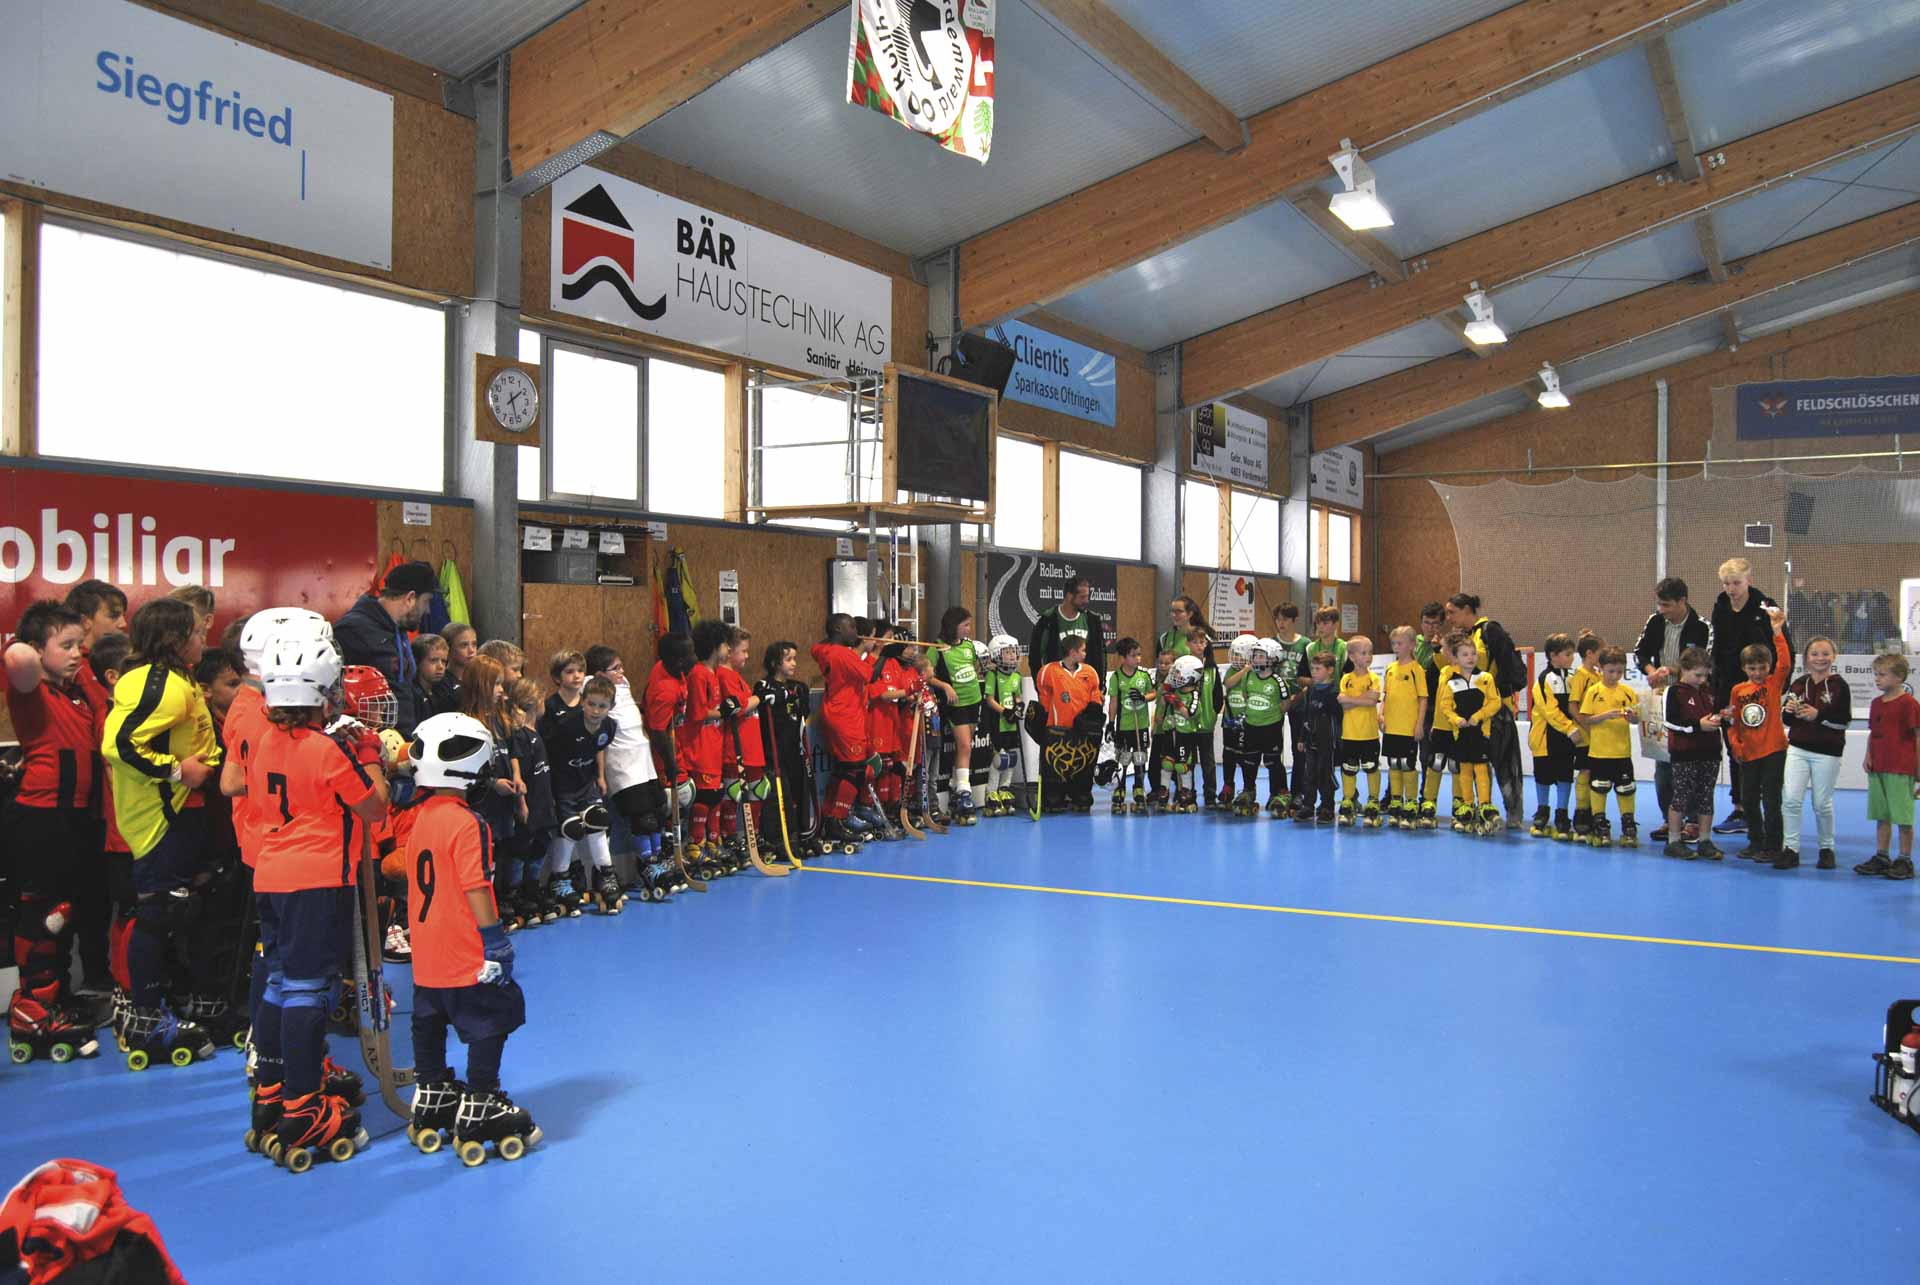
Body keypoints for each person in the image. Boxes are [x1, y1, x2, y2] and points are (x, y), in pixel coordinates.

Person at [237, 630, 385, 1164]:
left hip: (271, 875)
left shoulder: (263, 741)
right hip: (316, 880)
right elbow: (374, 807)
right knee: (306, 989)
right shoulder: (326, 750)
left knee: (279, 982)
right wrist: (369, 754)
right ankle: (304, 1108)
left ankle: (271, 1094)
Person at [402, 712, 540, 1164]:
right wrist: (494, 940)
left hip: (427, 950)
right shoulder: (468, 824)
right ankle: (482, 1101)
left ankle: (433, 1095)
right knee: (493, 1014)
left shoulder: (420, 817)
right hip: (465, 950)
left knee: (429, 1017)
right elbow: (476, 886)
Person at [101, 599, 220, 1069]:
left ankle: (168, 1005)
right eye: (196, 631)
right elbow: (118, 744)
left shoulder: (178, 679)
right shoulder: (159, 684)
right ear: (175, 638)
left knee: (179, 911)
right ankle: (145, 1019)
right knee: (157, 912)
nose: (204, 637)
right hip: (161, 816)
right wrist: (175, 770)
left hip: (184, 809)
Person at [4, 601, 111, 1062]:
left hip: (76, 820)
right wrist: (29, 643)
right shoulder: (31, 691)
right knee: (43, 917)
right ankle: (32, 1009)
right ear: (38, 647)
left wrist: (78, 665)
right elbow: (18, 659)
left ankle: (55, 1001)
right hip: (41, 818)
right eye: (65, 646)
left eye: (79, 646)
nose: (76, 655)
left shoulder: (77, 696)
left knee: (65, 917)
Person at [1708, 558, 1789, 835]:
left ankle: (1767, 808)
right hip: (1730, 689)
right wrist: (1715, 688)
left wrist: (1777, 687)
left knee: (1763, 748)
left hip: (1762, 689)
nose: (1731, 589)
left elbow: (1782, 647)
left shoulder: (1766, 607)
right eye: (1726, 584)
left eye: (1736, 583)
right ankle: (1741, 808)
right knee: (1736, 749)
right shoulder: (1720, 608)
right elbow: (1716, 650)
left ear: (1748, 581)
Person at [588, 646, 669, 900]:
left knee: (658, 812)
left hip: (644, 760)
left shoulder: (623, 684)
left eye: (621, 666)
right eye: (615, 668)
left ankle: (657, 859)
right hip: (623, 765)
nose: (622, 672)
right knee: (642, 818)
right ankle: (647, 865)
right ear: (599, 674)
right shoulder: (593, 687)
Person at [540, 674, 622, 911]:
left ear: (611, 707)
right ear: (582, 701)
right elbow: (548, 756)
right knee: (571, 828)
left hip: (587, 783)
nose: (595, 711)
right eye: (591, 704)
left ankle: (606, 875)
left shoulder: (609, 727)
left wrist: (600, 776)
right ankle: (560, 879)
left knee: (598, 821)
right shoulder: (565, 727)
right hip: (563, 786)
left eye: (602, 706)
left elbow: (598, 748)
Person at [1446, 594, 1525, 825]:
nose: (1448, 618)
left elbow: (1511, 668)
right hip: (1469, 713)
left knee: (1505, 763)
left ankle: (1514, 813)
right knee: (1476, 763)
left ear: (1467, 609)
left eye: (1452, 612)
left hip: (1496, 711)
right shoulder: (1465, 638)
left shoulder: (1490, 631)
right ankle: (1484, 808)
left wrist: (1493, 695)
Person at [333, 561, 437, 734]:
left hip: (402, 739)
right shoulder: (352, 630)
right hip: (373, 742)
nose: (427, 611)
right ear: (410, 598)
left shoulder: (398, 631)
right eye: (426, 602)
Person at [1726, 606, 1791, 864]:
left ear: (1769, 666)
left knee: (1772, 801)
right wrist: (1736, 746)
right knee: (1749, 800)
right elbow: (1733, 721)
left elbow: (1785, 663)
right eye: (1752, 668)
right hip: (1748, 754)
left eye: (1762, 667)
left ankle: (1774, 845)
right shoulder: (1738, 691)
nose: (1758, 672)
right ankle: (1755, 841)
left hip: (1774, 751)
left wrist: (1777, 632)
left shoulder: (1774, 684)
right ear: (1744, 668)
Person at [1779, 635, 1850, 871]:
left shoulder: (1840, 686)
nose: (1820, 658)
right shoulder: (1799, 684)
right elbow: (1787, 719)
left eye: (1825, 653)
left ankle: (1827, 849)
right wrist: (1789, 711)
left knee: (1821, 803)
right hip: (1798, 749)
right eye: (1815, 654)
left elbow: (1843, 721)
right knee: (1790, 799)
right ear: (1807, 658)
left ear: (1834, 657)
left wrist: (1818, 715)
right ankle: (1790, 849)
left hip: (1827, 752)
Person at [812, 614, 877, 848]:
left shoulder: (824, 649)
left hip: (837, 712)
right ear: (838, 629)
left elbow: (816, 646)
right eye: (851, 627)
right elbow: (870, 675)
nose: (855, 631)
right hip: (846, 717)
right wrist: (879, 653)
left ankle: (829, 818)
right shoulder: (843, 654)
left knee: (842, 768)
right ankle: (838, 820)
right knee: (854, 769)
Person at [1854, 654, 1920, 880]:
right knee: (1881, 814)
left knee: (1903, 816)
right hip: (1878, 766)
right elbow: (1874, 732)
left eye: (1882, 675)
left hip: (1901, 767)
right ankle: (1882, 855)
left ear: (1899, 677)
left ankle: (1905, 859)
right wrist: (1868, 755)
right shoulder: (1876, 704)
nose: (1877, 679)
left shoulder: (1909, 704)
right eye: (1876, 674)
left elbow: (1917, 736)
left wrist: (1918, 767)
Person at [1662, 648, 1727, 862]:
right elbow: (1670, 721)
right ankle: (1673, 841)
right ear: (1684, 669)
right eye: (1697, 675)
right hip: (1684, 753)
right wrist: (1698, 726)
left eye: (1706, 675)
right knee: (1681, 796)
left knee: (1706, 796)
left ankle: (1705, 840)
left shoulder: (1709, 690)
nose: (1702, 680)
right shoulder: (1674, 691)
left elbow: (1715, 714)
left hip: (1710, 751)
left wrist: (1724, 716)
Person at [503, 680, 558, 927]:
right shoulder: (521, 736)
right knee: (521, 849)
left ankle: (532, 887)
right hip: (530, 804)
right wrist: (521, 803)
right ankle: (513, 893)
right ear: (536, 703)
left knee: (539, 846)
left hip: (543, 802)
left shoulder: (536, 732)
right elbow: (521, 774)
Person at [1435, 632, 1500, 836]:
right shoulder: (1452, 682)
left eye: (1473, 654)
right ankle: (1468, 803)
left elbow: (1495, 702)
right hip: (1461, 733)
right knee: (1464, 769)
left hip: (1480, 732)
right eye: (1465, 654)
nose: (1470, 658)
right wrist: (1456, 720)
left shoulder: (1486, 678)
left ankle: (1485, 803)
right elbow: (1445, 705)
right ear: (1456, 658)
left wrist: (1479, 716)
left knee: (1481, 768)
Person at [1576, 647, 1641, 848]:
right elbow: (1585, 719)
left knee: (1626, 789)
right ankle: (1600, 826)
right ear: (1601, 668)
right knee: (1599, 787)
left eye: (1619, 672)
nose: (1615, 676)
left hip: (1622, 752)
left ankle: (1628, 828)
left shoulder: (1628, 692)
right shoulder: (1593, 692)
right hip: (1599, 752)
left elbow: (1637, 720)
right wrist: (1605, 716)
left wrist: (1633, 718)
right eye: (1611, 671)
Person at [681, 620, 734, 864]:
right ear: (714, 647)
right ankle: (695, 844)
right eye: (725, 645)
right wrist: (723, 711)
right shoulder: (698, 674)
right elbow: (697, 712)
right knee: (704, 797)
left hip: (715, 744)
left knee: (716, 794)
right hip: (700, 746)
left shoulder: (714, 674)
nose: (729, 649)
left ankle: (713, 841)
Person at [1036, 635, 1103, 813]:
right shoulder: (1048, 671)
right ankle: (1053, 800)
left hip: (1083, 730)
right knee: (1055, 767)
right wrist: (1044, 725)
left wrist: (1092, 714)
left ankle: (1081, 798)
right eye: (1082, 650)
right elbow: (1044, 700)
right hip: (1057, 730)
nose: (1085, 654)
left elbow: (1096, 697)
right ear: (1072, 652)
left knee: (1083, 766)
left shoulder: (1090, 672)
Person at [929, 607, 985, 822]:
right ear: (953, 626)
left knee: (966, 746)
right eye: (965, 625)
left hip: (974, 700)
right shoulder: (937, 648)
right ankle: (964, 791)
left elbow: (973, 667)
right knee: (964, 746)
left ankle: (956, 784)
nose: (969, 629)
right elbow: (927, 675)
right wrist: (945, 686)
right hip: (956, 704)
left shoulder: (969, 645)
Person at [757, 641, 811, 855]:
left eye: (794, 659)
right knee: (779, 798)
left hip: (793, 752)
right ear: (774, 663)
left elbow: (803, 714)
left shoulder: (796, 687)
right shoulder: (764, 686)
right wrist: (783, 696)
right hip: (774, 753)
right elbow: (763, 704)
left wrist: (802, 697)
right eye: (788, 659)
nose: (794, 663)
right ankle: (777, 840)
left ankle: (799, 836)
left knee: (797, 795)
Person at [719, 627, 768, 857]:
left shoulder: (737, 676)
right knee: (733, 793)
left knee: (758, 790)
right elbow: (738, 708)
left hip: (752, 747)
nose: (747, 656)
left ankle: (753, 836)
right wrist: (759, 696)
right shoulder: (723, 675)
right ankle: (729, 836)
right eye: (744, 651)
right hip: (735, 747)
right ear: (729, 651)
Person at [1528, 633, 1580, 840]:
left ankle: (1562, 813)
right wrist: (1570, 728)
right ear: (1553, 656)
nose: (1572, 657)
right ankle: (1542, 810)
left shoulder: (1574, 678)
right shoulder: (1544, 680)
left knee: (1565, 775)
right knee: (1543, 776)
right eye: (1567, 654)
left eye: (1572, 653)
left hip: (1567, 738)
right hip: (1545, 738)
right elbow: (1549, 711)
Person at [1380, 626, 1430, 830]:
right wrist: (1381, 714)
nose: (1396, 647)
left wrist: (1419, 724)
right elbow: (1386, 695)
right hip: (1391, 727)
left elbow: (1423, 698)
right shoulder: (1390, 669)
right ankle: (1396, 800)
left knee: (1407, 764)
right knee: (1393, 763)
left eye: (1400, 643)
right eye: (1394, 643)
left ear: (1412, 645)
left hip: (1408, 728)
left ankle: (1411, 802)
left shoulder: (1416, 670)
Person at [1240, 638, 1291, 818]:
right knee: (1249, 761)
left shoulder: (1278, 681)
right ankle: (1248, 790)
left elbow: (1285, 704)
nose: (1256, 659)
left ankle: (1280, 793)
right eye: (1255, 656)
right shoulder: (1248, 676)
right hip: (1251, 727)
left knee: (1272, 762)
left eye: (1261, 656)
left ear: (1273, 659)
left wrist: (1272, 716)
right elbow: (1246, 695)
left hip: (1271, 728)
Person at [1336, 635, 1383, 827]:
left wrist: (1351, 699)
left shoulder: (1374, 678)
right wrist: (1362, 699)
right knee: (1349, 768)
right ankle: (1348, 799)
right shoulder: (1346, 679)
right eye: (1364, 653)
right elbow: (1343, 704)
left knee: (1371, 767)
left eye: (1370, 652)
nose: (1368, 656)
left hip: (1369, 733)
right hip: (1349, 733)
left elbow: (1372, 701)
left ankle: (1373, 800)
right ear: (1352, 657)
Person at [1107, 637, 1155, 815]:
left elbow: (1153, 693)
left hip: (1140, 725)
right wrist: (1110, 723)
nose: (1138, 658)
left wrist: (1143, 698)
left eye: (1139, 654)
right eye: (1133, 655)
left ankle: (1139, 788)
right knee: (1124, 758)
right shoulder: (1116, 677)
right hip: (1123, 725)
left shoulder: (1144, 675)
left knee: (1140, 757)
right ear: (1123, 657)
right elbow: (1113, 702)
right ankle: (1120, 789)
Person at [1271, 603, 1312, 812]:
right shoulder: (1270, 644)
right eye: (1278, 619)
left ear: (1294, 620)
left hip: (1300, 703)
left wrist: (1296, 697)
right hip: (1275, 704)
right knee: (1273, 749)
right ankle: (1279, 791)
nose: (1281, 623)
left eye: (1285, 619)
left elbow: (1312, 677)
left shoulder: (1306, 645)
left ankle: (1298, 793)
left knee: (1299, 749)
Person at [1292, 652, 1341, 824]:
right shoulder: (1311, 690)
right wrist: (1301, 738)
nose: (1313, 672)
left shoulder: (1335, 691)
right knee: (1309, 774)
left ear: (1330, 670)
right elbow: (1307, 715)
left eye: (1318, 669)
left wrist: (1337, 741)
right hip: (1311, 740)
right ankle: (1308, 806)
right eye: (1312, 668)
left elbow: (1338, 718)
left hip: (1327, 741)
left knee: (1324, 774)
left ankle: (1327, 807)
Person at [980, 635, 1026, 817]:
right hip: (998, 723)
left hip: (1012, 725)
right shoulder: (993, 675)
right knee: (1000, 759)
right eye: (1007, 652)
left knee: (1012, 758)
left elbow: (1018, 697)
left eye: (1013, 652)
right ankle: (991, 791)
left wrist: (1018, 707)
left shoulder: (1016, 676)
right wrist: (1005, 712)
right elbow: (990, 699)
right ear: (997, 655)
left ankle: (1004, 788)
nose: (1012, 656)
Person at [1028, 575, 1107, 679]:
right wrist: (1041, 684)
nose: (1086, 601)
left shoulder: (1092, 620)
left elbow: (1101, 656)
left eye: (1087, 596)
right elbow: (1035, 656)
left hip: (1085, 683)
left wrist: (1101, 684)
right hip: (1058, 682)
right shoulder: (1048, 620)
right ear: (1069, 596)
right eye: (1082, 597)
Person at [1568, 632, 1605, 841]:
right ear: (1590, 653)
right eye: (1601, 653)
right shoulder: (1580, 675)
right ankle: (1581, 813)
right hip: (1585, 735)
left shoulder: (1598, 676)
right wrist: (1585, 726)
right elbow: (1573, 706)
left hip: (1598, 736)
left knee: (1596, 773)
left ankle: (1594, 814)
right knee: (1585, 771)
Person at [65, 580, 129, 650]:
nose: (124, 624)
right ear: (84, 622)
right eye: (113, 616)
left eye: (123, 615)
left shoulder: (124, 654)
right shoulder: (71, 657)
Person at [412, 634, 457, 719]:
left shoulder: (445, 690)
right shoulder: (412, 696)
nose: (441, 666)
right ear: (417, 662)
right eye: (433, 660)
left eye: (443, 661)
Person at [438, 623, 477, 710]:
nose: (471, 650)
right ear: (448, 649)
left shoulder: (478, 677)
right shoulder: (442, 682)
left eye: (474, 644)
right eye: (464, 645)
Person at [1305, 607, 1347, 675]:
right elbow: (1303, 676)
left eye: (1325, 623)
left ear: (1336, 625)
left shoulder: (1345, 648)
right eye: (1318, 623)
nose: (1320, 627)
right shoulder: (1310, 648)